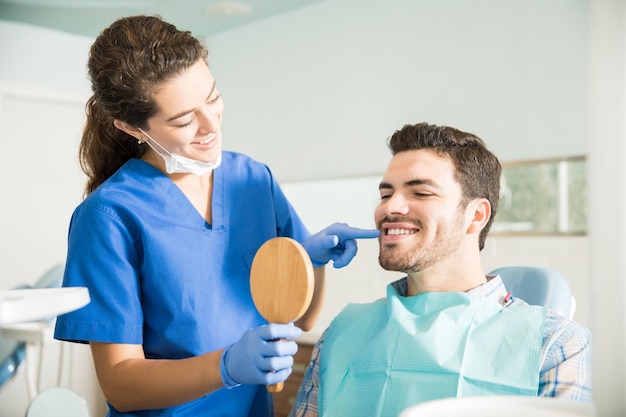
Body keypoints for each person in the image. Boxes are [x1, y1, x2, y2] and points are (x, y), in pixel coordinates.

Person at [53, 15, 379, 417]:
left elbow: (301, 319)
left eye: (212, 98)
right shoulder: (108, 216)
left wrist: (310, 263)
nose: (211, 126)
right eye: (184, 119)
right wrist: (224, 367)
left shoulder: (252, 179)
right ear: (133, 128)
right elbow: (121, 384)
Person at [289, 122, 593, 417]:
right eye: (385, 194)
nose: (389, 207)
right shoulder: (341, 334)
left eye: (420, 193)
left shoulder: (556, 345)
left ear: (476, 216)